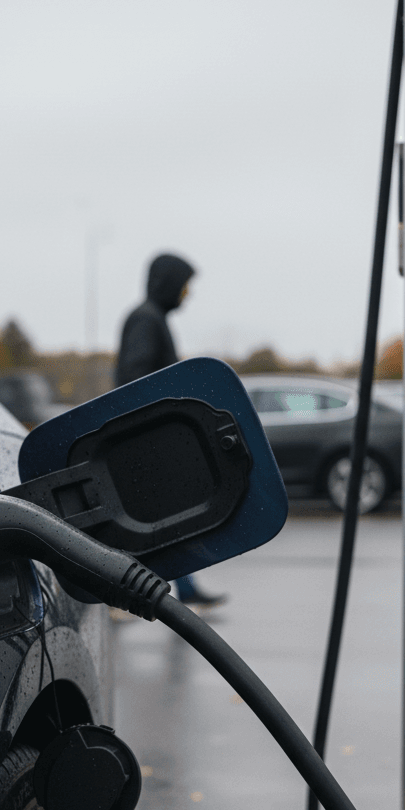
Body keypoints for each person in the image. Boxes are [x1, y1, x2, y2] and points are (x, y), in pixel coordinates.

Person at [115, 252, 227, 609]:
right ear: (167, 283)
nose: (187, 294)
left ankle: (187, 588)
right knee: (152, 521)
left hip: (150, 438)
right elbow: (137, 376)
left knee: (164, 520)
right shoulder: (146, 320)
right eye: (184, 285)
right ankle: (120, 592)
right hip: (143, 441)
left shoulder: (152, 318)